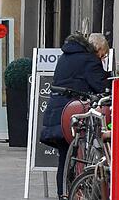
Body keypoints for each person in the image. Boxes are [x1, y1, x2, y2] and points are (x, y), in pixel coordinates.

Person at [40, 33, 109, 200]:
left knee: (65, 157)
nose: (103, 58)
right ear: (98, 49)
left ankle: (62, 194)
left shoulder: (66, 56)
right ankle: (76, 192)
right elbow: (100, 85)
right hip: (73, 112)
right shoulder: (89, 60)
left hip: (57, 111)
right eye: (104, 55)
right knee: (79, 155)